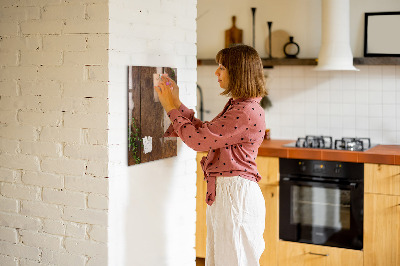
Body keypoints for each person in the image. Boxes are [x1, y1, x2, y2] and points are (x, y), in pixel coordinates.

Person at [155, 44, 267, 266]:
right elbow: (206, 133)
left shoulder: (244, 111)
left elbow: (198, 141)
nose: (217, 73)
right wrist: (176, 104)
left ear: (238, 72)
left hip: (235, 197)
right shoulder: (240, 106)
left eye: (222, 67)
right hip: (230, 195)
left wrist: (170, 108)